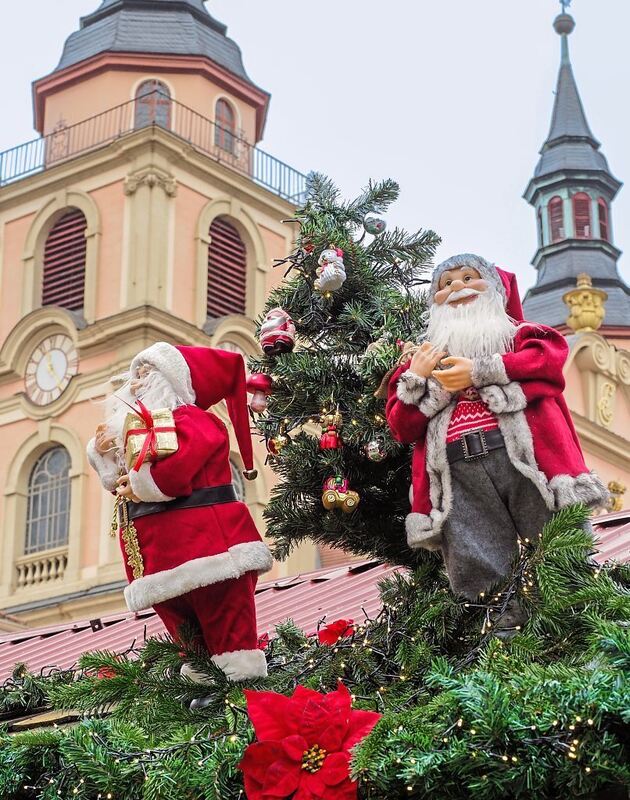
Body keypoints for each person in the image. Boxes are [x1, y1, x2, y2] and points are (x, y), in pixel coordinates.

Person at [386, 254, 607, 614]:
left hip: (527, 463)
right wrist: (417, 378)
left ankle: (578, 616)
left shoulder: (518, 338)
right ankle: (496, 632)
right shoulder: (421, 361)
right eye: (445, 284)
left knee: (557, 545)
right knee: (476, 561)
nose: (457, 287)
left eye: (469, 277)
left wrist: (479, 371)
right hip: (457, 474)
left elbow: (549, 360)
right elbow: (401, 426)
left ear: (494, 289)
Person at [87, 343, 272, 690]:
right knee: (190, 640)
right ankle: (201, 688)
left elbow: (169, 477)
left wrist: (136, 482)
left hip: (210, 553)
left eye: (148, 373)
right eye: (136, 373)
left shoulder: (195, 421)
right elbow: (123, 482)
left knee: (227, 630)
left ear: (173, 381)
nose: (138, 381)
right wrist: (105, 454)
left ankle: (241, 690)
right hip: (160, 562)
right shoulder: (146, 427)